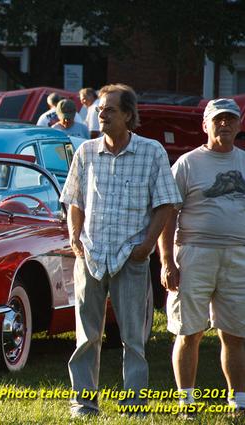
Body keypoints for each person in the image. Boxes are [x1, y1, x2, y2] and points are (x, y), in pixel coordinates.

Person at [60, 83, 181, 417]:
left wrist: (145, 248)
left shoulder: (152, 151)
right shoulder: (86, 151)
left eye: (110, 109)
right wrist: (75, 237)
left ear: (128, 115)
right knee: (86, 336)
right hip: (91, 255)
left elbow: (166, 205)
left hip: (131, 257)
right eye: (100, 109)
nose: (102, 114)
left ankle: (135, 404)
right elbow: (74, 200)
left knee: (134, 339)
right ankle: (83, 403)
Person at [158, 98, 245, 414]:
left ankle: (238, 402)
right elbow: (167, 213)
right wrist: (167, 261)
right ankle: (187, 402)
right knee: (188, 331)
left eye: (230, 120)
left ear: (239, 125)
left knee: (236, 333)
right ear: (205, 125)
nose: (224, 125)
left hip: (239, 257)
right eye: (218, 120)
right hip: (195, 255)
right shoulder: (187, 164)